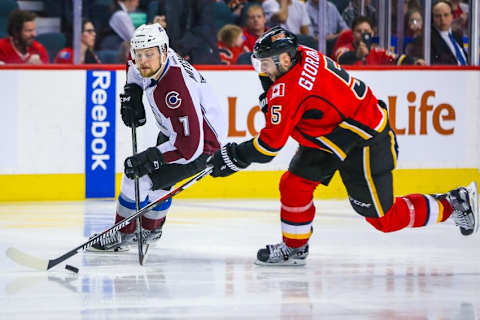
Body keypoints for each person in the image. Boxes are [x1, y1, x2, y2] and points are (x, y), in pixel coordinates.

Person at [207, 26, 479, 266]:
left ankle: (453, 205)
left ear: (286, 59)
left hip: (365, 137)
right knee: (294, 184)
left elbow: (268, 147)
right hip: (334, 131)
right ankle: (295, 246)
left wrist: (234, 157)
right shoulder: (302, 52)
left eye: (266, 64)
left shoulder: (288, 91)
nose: (262, 71)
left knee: (384, 219)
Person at [87, 23, 226, 252]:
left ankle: (120, 234)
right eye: (139, 54)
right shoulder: (155, 59)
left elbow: (189, 147)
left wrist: (152, 156)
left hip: (202, 146)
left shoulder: (175, 89)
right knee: (161, 181)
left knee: (136, 175)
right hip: (177, 132)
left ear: (163, 51)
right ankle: (151, 228)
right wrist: (132, 92)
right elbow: (132, 67)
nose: (143, 60)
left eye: (149, 54)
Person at [333, 16, 425, 65]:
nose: (363, 34)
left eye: (366, 31)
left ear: (372, 33)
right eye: (359, 31)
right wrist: (356, 55)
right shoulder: (344, 49)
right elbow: (340, 59)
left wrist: (414, 61)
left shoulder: (378, 51)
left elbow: (397, 59)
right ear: (352, 33)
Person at [431, 0, 468, 65]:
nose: (442, 19)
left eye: (446, 15)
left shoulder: (457, 36)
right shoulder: (429, 38)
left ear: (452, 16)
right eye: (438, 16)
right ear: (432, 18)